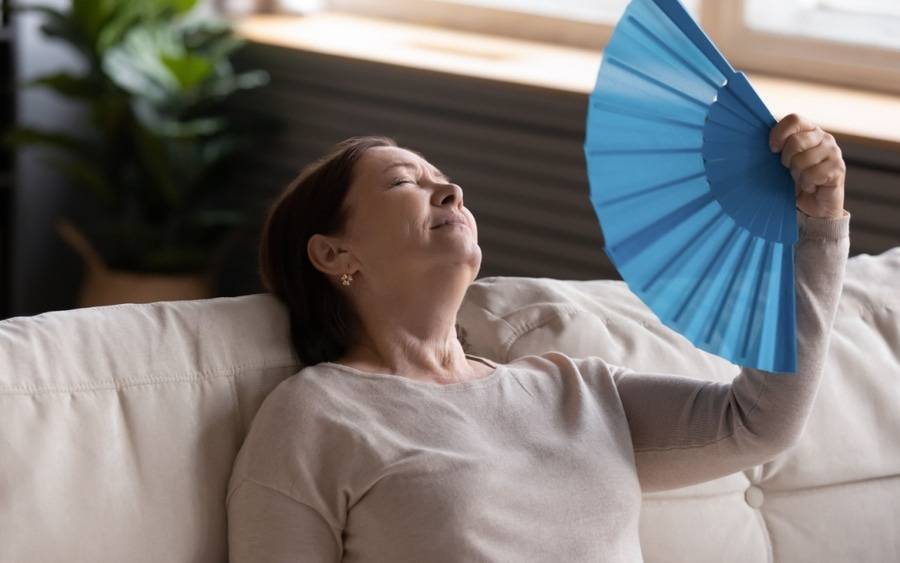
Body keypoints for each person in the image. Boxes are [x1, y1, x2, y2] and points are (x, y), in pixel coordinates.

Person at [226, 113, 850, 562]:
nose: (450, 190)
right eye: (402, 183)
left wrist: (816, 224)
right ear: (335, 252)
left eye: (442, 178)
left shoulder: (571, 388)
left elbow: (759, 423)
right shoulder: (314, 415)